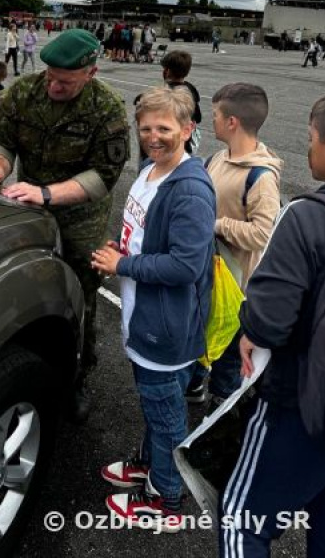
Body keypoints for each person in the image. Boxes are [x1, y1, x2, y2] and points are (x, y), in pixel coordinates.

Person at [0, 29, 130, 422]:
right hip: (28, 207)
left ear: (90, 73)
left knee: (80, 298)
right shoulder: (25, 91)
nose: (54, 85)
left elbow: (104, 176)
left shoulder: (106, 108)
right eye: (50, 75)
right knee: (23, 284)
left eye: (66, 81)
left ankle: (77, 377)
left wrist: (47, 194)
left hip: (81, 220)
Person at [219, 90, 325, 558]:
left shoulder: (308, 216)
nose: (306, 150)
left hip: (302, 405)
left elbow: (269, 322)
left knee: (241, 519)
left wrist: (250, 323)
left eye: (310, 139)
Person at [91, 86, 215, 531]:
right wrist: (121, 249)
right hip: (144, 317)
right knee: (154, 406)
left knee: (167, 419)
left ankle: (166, 498)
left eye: (164, 128)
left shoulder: (190, 190)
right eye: (146, 128)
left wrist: (123, 263)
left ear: (188, 129)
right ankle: (148, 464)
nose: (153, 136)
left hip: (167, 331)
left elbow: (186, 264)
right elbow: (145, 236)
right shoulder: (150, 171)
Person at [186, 83, 283, 406]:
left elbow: (262, 234)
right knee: (201, 340)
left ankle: (222, 411)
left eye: (214, 115)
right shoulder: (216, 158)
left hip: (235, 288)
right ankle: (197, 384)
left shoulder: (261, 177)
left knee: (228, 359)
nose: (209, 121)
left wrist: (215, 225)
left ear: (232, 122)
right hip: (208, 276)